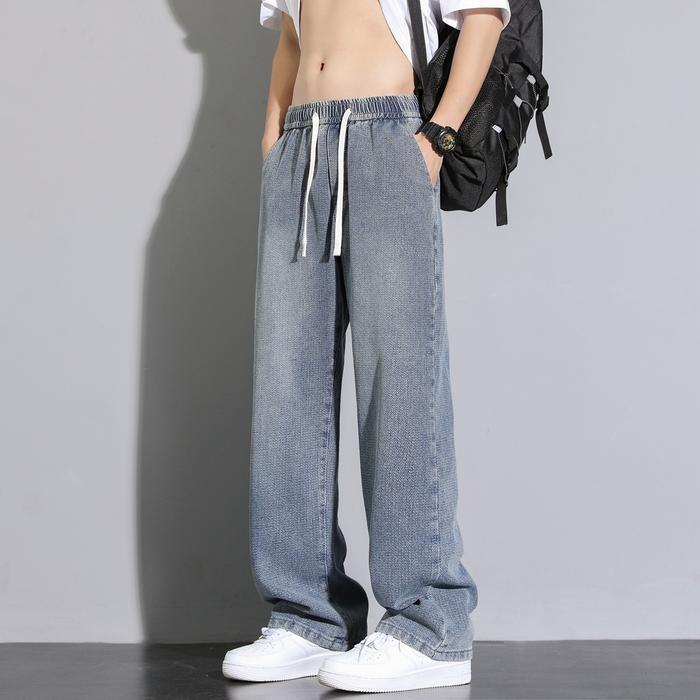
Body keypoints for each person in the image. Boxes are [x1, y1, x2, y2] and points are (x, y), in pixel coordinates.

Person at [223, 0, 510, 692]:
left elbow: (484, 16)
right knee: (286, 383)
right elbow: (293, 38)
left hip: (388, 135)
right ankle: (306, 616)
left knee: (400, 379)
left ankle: (430, 626)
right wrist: (273, 138)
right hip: (301, 142)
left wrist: (435, 139)